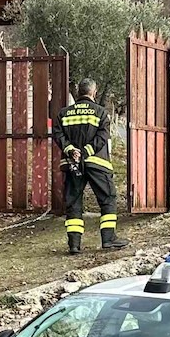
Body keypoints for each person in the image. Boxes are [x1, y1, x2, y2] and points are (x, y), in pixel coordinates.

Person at [53, 79, 127, 255]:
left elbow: (58, 134)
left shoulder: (63, 113)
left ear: (78, 92)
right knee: (107, 198)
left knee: (74, 203)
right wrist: (86, 151)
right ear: (94, 92)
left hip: (72, 164)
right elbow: (102, 136)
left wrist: (71, 150)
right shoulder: (100, 112)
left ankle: (74, 245)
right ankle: (108, 239)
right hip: (97, 163)